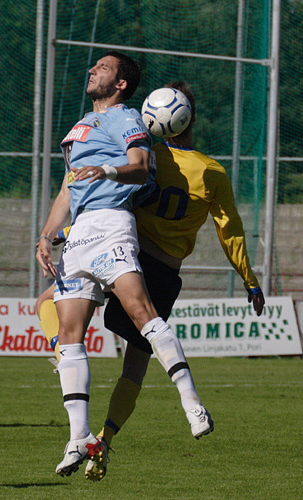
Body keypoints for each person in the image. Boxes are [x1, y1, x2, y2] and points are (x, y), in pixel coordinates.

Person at [37, 80, 264, 482]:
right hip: (159, 268)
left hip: (122, 243)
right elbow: (230, 230)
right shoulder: (212, 172)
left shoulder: (146, 154)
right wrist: (249, 279)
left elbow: (92, 185)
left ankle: (65, 363)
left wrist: (63, 231)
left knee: (49, 305)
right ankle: (105, 439)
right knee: (135, 368)